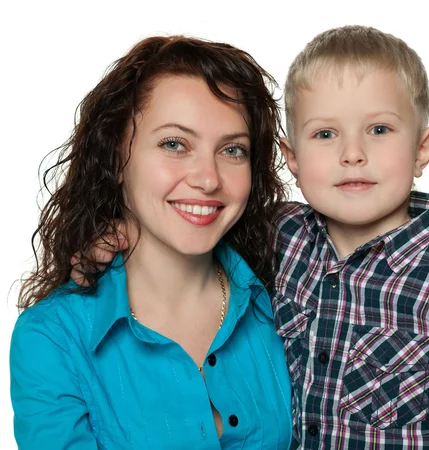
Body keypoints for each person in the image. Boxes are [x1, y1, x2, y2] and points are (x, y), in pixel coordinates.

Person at [70, 26, 429, 450]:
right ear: (292, 157)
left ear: (423, 149)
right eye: (325, 134)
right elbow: (193, 224)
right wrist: (120, 234)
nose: (352, 154)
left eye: (380, 130)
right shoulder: (284, 238)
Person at [10, 35, 292, 449]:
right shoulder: (52, 338)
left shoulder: (292, 288)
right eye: (174, 144)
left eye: (232, 150)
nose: (208, 179)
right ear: (116, 158)